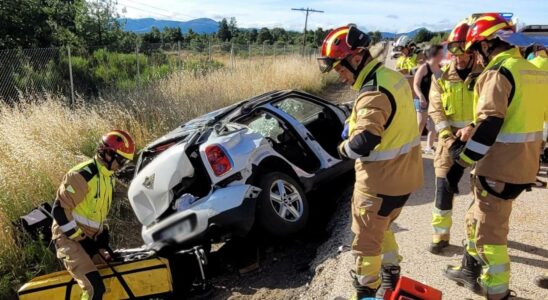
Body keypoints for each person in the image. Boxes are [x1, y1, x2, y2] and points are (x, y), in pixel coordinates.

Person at [442, 13, 548, 300]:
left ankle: (495, 290)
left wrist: (459, 166)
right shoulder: (531, 70)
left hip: (498, 168)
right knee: (477, 218)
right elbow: (515, 116)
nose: (474, 55)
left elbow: (491, 126)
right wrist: (473, 129)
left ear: (486, 45)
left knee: (490, 234)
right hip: (523, 164)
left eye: (476, 49)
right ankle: (468, 269)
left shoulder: (497, 72)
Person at [318, 25, 423, 299]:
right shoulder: (391, 76)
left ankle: (367, 290)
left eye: (340, 68)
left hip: (379, 184)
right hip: (404, 177)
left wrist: (342, 149)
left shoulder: (373, 91)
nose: (340, 77)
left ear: (355, 58)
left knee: (365, 244)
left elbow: (364, 141)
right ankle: (391, 277)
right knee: (382, 227)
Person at [51, 130, 135, 300]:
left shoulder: (107, 178)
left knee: (113, 278)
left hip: (89, 237)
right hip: (68, 239)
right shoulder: (82, 175)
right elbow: (59, 211)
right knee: (95, 288)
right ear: (108, 153)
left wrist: (102, 232)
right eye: (121, 160)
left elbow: (94, 210)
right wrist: (81, 239)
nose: (122, 165)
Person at [427, 21, 483, 254]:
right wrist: (447, 138)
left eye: (464, 53)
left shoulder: (485, 74)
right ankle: (440, 236)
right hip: (448, 140)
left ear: (473, 52)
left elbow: (491, 108)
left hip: (479, 139)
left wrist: (473, 127)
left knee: (480, 190)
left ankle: (474, 239)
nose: (458, 59)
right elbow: (435, 109)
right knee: (443, 187)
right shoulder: (441, 76)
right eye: (455, 53)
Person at [413, 45, 443, 154]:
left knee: (433, 126)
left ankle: (429, 147)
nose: (442, 56)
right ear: (434, 55)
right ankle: (414, 148)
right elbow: (416, 84)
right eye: (440, 54)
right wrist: (421, 96)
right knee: (420, 124)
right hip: (422, 101)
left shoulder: (440, 68)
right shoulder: (424, 67)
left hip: (434, 102)